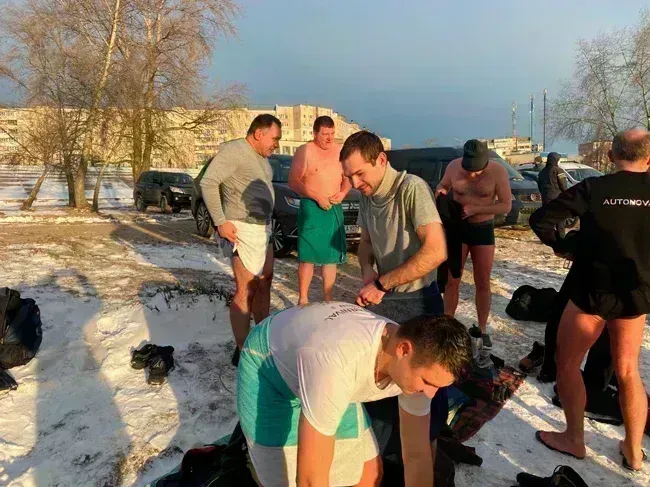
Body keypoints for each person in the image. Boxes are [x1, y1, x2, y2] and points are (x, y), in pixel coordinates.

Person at [237, 301, 472, 487]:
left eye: (439, 387)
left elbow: (416, 455)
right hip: (270, 370)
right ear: (403, 350)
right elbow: (310, 479)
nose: (430, 394)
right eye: (427, 382)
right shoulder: (338, 362)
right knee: (285, 481)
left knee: (367, 474)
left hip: (325, 370)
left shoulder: (416, 363)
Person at [529, 128, 650, 471]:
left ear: (611, 156)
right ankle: (633, 451)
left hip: (591, 292)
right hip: (634, 295)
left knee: (567, 363)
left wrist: (569, 246)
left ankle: (574, 438)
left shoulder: (594, 188)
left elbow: (542, 220)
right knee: (628, 370)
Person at [339, 130, 447, 321]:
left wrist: (381, 285)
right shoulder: (367, 196)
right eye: (349, 176)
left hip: (420, 299)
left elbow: (436, 251)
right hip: (387, 294)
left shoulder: (412, 188)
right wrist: (366, 268)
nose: (354, 183)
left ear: (381, 160)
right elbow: (366, 242)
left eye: (360, 173)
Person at [200, 114, 282, 364]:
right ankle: (243, 350)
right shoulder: (234, 151)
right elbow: (208, 182)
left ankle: (260, 340)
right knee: (246, 289)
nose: (276, 144)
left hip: (263, 228)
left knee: (264, 282)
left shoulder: (261, 158)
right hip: (241, 229)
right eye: (274, 138)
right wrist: (220, 222)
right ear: (259, 133)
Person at [435, 139, 512, 348]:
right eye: (469, 169)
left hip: (482, 229)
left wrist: (477, 209)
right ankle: (448, 324)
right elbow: (443, 185)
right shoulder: (453, 166)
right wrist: (441, 191)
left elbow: (506, 205)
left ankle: (482, 329)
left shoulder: (497, 171)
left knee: (482, 281)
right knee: (452, 279)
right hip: (457, 228)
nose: (472, 175)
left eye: (476, 170)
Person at [288, 116, 351, 304]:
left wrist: (343, 193)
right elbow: (294, 181)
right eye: (325, 134)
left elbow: (348, 178)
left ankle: (328, 299)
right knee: (308, 256)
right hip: (311, 207)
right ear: (315, 134)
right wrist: (316, 196)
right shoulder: (305, 150)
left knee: (330, 257)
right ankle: (303, 299)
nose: (329, 138)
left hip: (333, 207)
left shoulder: (340, 151)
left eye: (332, 133)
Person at [537, 152, 569, 237]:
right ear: (556, 160)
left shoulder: (542, 172)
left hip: (546, 199)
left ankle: (548, 237)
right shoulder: (558, 170)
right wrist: (567, 195)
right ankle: (561, 237)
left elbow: (539, 185)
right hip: (557, 198)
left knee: (548, 219)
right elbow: (563, 185)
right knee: (560, 219)